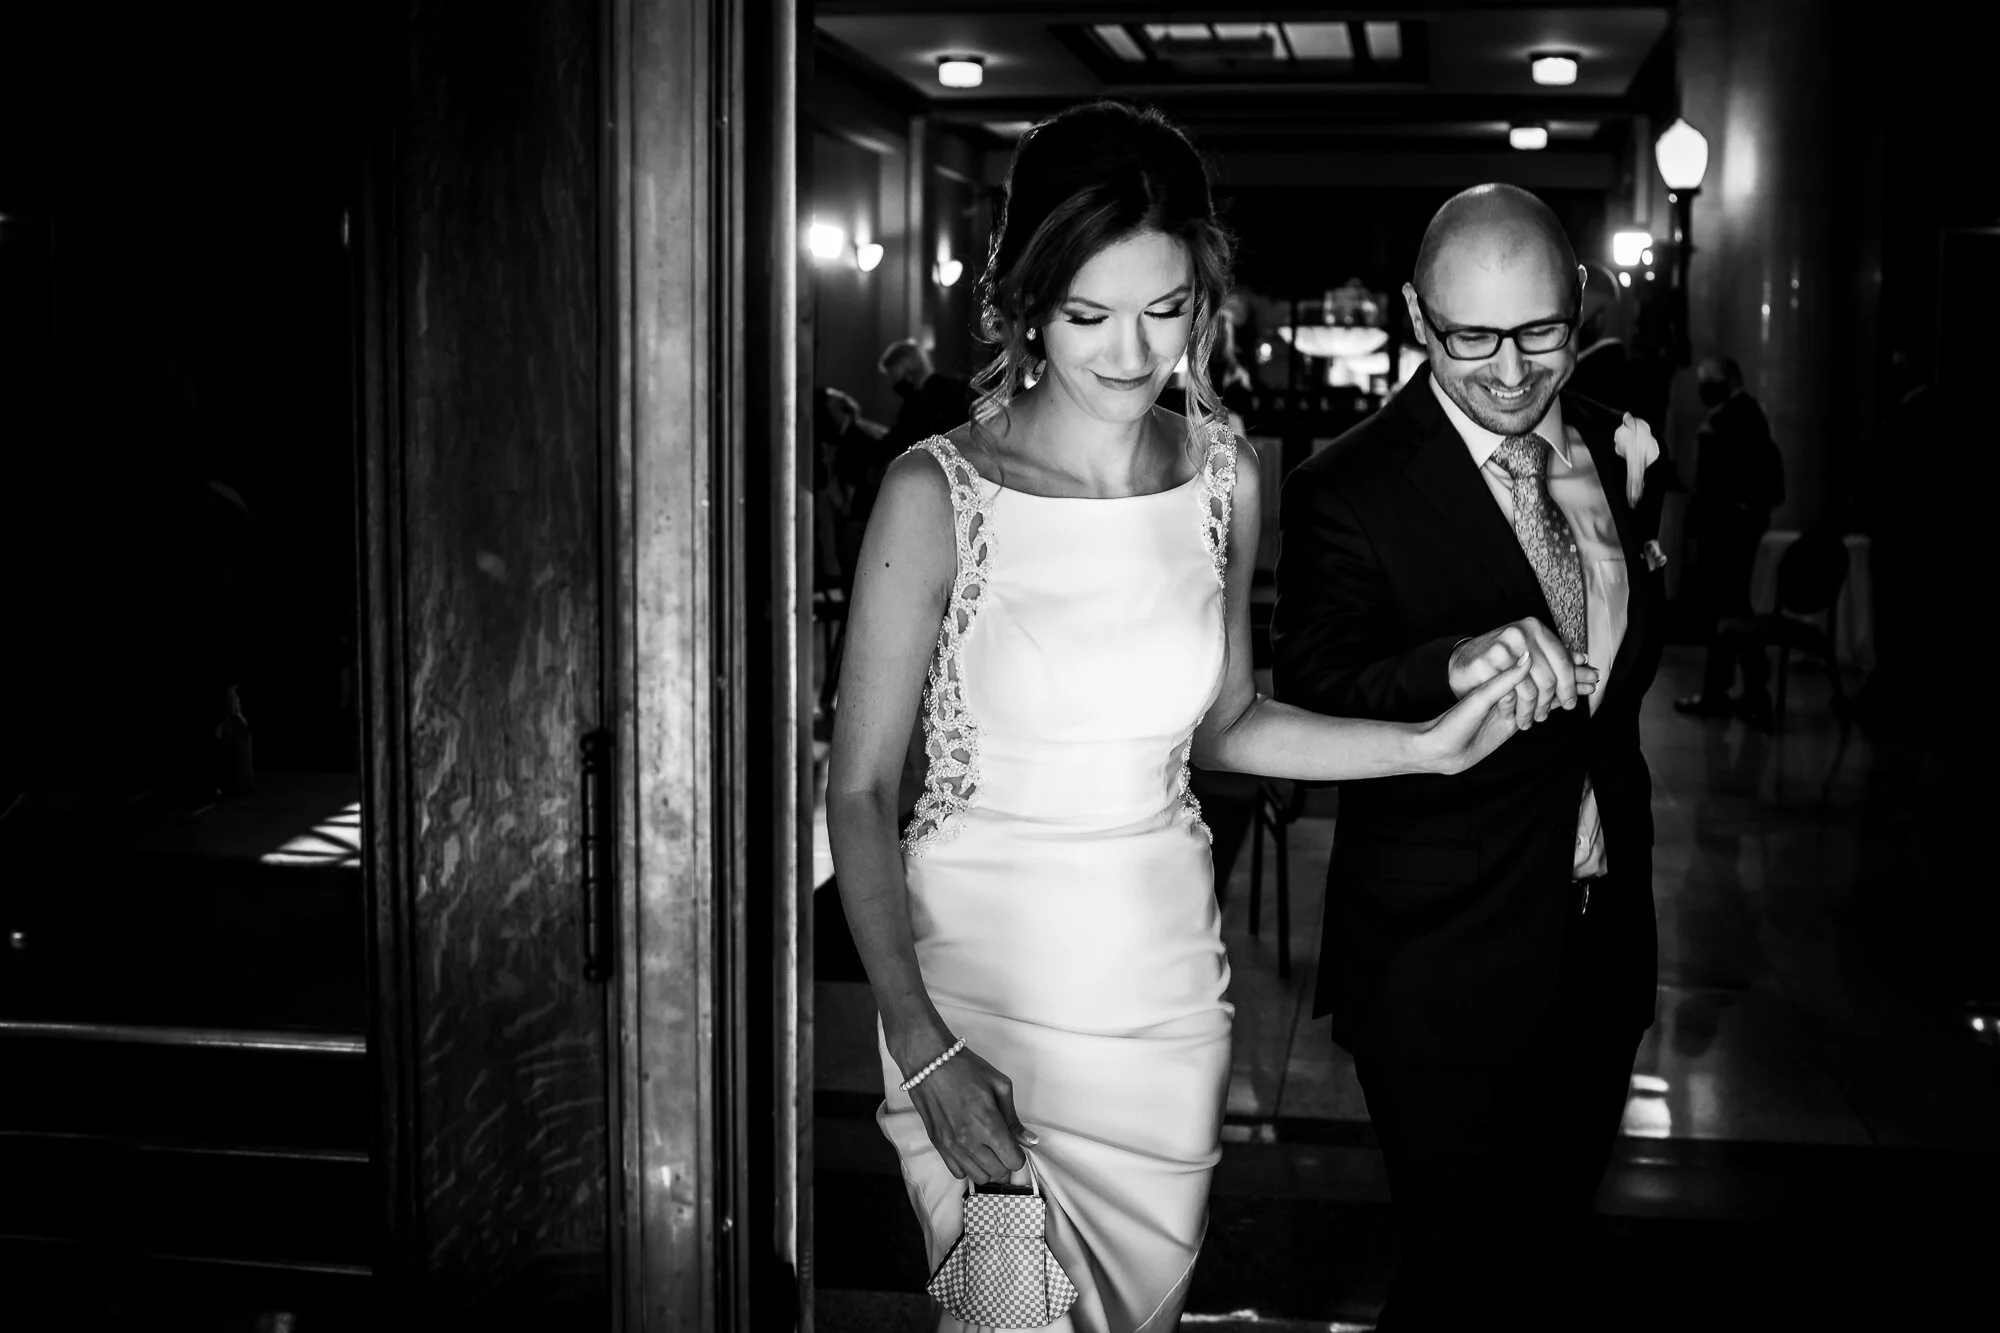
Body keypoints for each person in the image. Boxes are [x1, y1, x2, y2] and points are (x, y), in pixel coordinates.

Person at [826, 106, 1560, 1333]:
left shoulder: (1224, 473)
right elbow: (856, 790)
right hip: (977, 997)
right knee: (1009, 1321)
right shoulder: (934, 489)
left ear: (1201, 300)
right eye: (1087, 315)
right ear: (1025, 303)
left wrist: (1422, 747)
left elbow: (1224, 724)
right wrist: (921, 1040)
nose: (1130, 352)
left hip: (1162, 1000)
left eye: (1163, 310)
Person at [1271, 183, 1666, 1330]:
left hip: (1600, 939)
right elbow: (1314, 682)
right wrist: (1447, 664)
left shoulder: (1609, 440)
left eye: (1538, 333)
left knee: (1545, 1251)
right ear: (1413, 314)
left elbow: (1613, 678)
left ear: (1578, 303)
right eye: (1467, 338)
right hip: (1437, 954)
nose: (1507, 370)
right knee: (1461, 1269)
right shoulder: (1344, 484)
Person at [1672, 355, 1785, 724]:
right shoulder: (1750, 415)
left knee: (1724, 611)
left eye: (1710, 380)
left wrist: (1695, 529)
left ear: (1731, 380)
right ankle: (1747, 689)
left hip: (1725, 533)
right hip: (1737, 528)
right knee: (1733, 610)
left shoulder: (1728, 421)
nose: (1704, 388)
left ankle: (1723, 692)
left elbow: (1711, 485)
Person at [878, 338, 973, 455]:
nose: (894, 379)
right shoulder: (912, 401)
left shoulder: (949, 389)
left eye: (894, 371)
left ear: (909, 361)